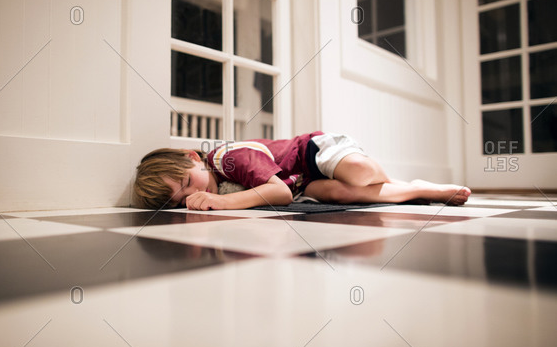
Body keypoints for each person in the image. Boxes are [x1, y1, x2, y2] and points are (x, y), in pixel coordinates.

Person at [133, 131, 471, 210]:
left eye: (186, 182)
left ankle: (395, 179)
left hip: (313, 152)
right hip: (303, 184)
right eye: (181, 200)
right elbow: (287, 193)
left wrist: (220, 204)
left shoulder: (229, 159)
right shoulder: (219, 182)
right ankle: (419, 189)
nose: (192, 195)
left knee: (357, 173)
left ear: (194, 157)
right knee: (344, 195)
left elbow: (277, 193)